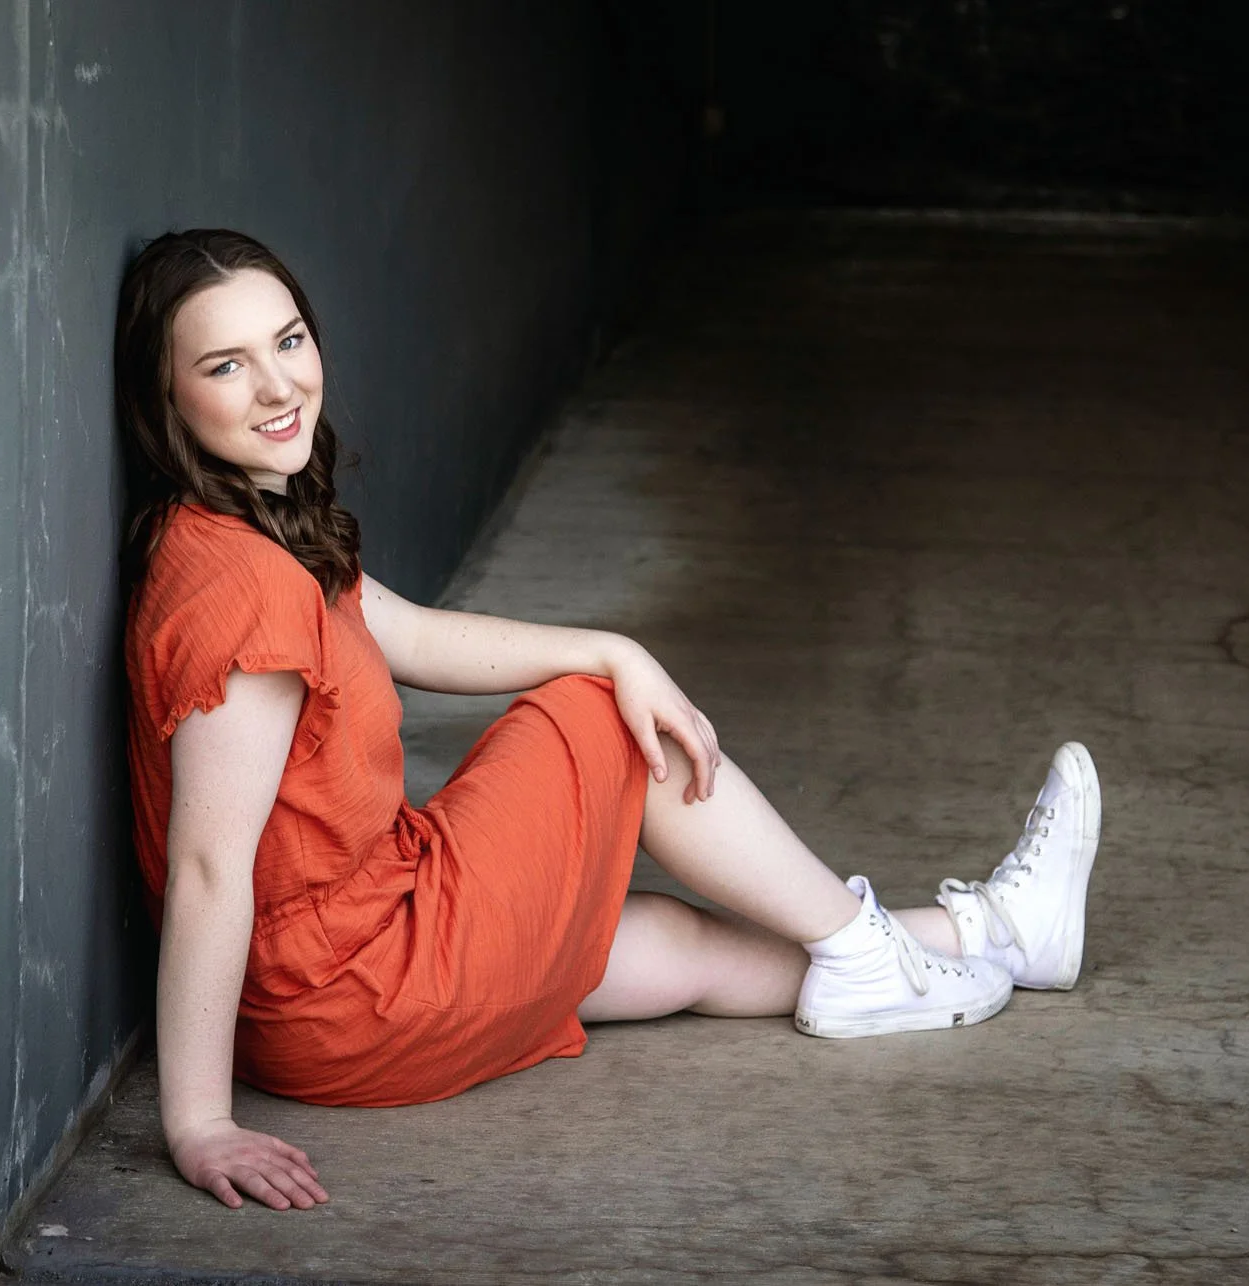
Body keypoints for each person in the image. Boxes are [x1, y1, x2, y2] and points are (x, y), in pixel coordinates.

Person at [117, 228, 1103, 1213]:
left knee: (673, 942)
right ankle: (866, 946)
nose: (278, 386)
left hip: (354, 962)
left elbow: (408, 632)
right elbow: (210, 868)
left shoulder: (237, 523)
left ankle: (1000, 931)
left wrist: (612, 644)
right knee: (602, 720)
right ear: (169, 402)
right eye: (225, 365)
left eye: (288, 342)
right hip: (363, 983)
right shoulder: (241, 596)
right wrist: (198, 1119)